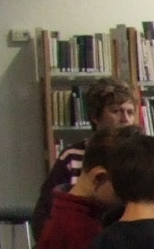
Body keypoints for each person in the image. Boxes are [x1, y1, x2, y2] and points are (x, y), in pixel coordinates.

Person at [34, 78, 136, 236]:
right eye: (116, 111)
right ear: (95, 117)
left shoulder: (140, 157)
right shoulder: (72, 156)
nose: (126, 119)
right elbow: (45, 212)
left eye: (130, 112)